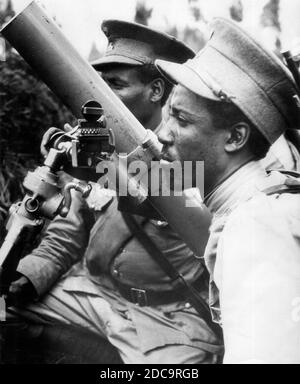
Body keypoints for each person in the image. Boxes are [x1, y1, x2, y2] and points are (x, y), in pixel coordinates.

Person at [4, 20, 223, 364]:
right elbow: (69, 228)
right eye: (99, 84)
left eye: (115, 85)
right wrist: (29, 276)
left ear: (155, 91)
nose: (98, 97)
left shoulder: (191, 155)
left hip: (164, 317)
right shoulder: (94, 145)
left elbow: (168, 199)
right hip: (93, 294)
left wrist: (110, 167)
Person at [155, 17, 300, 364]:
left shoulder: (254, 228)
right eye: (167, 115)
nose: (162, 133)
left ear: (235, 138)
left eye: (181, 119)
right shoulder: (257, 204)